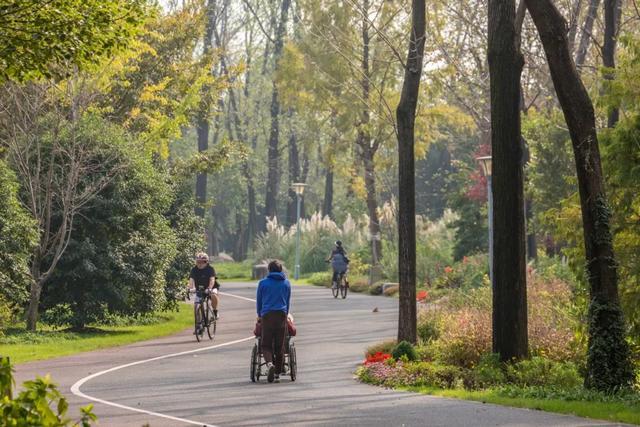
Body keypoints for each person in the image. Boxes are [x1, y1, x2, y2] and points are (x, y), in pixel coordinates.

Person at [256, 260, 291, 383]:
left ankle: (270, 364)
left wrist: (259, 315)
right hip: (281, 315)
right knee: (280, 345)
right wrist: (286, 315)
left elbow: (259, 301)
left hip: (267, 315)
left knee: (265, 344)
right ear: (281, 270)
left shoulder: (263, 283)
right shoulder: (286, 283)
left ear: (269, 270)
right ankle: (277, 375)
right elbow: (287, 301)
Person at [189, 252, 220, 325]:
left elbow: (212, 279)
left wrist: (209, 288)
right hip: (200, 289)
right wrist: (190, 288)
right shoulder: (194, 269)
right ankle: (198, 325)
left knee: (213, 294)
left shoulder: (210, 269)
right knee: (196, 305)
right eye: (198, 262)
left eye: (202, 262)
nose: (200, 264)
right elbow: (191, 280)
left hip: (211, 287)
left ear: (206, 262)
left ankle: (215, 312)